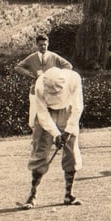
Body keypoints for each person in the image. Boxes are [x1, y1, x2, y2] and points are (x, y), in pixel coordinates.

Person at [19, 66, 85, 208]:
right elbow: (42, 114)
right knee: (40, 153)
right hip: (47, 114)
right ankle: (32, 195)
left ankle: (69, 195)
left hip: (67, 111)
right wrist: (56, 135)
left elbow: (78, 108)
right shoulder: (39, 85)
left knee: (72, 152)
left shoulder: (74, 79)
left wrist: (67, 132)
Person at [14, 33, 74, 128]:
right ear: (37, 45)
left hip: (50, 90)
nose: (43, 47)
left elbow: (68, 66)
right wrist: (29, 74)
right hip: (35, 89)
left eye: (45, 45)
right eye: (41, 45)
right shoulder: (32, 57)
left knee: (51, 113)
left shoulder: (53, 56)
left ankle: (52, 137)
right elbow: (18, 67)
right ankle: (35, 136)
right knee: (34, 112)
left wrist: (57, 76)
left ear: (48, 44)